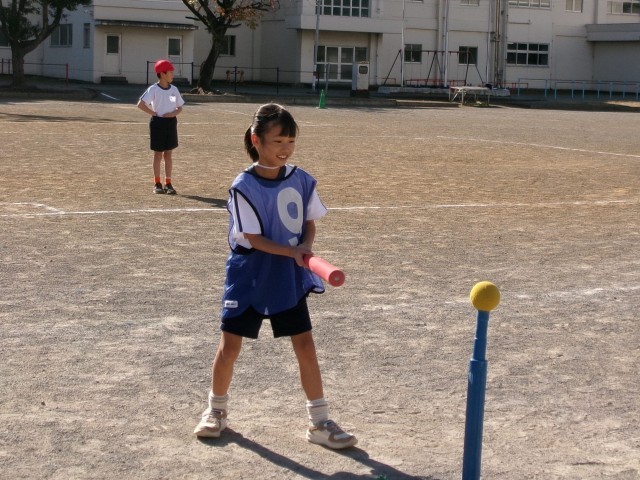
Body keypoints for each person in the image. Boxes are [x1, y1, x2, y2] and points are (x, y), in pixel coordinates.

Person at [193, 103, 357, 449]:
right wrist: (292, 252)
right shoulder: (243, 186)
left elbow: (308, 223)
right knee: (230, 346)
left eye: (291, 141)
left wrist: (306, 247)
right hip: (250, 273)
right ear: (256, 140)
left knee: (305, 344)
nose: (285, 148)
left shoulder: (301, 179)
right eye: (278, 141)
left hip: (287, 274)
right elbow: (253, 238)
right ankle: (215, 411)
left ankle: (319, 422)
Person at [137, 59, 185, 195]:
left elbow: (179, 107)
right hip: (157, 123)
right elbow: (140, 104)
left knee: (168, 154)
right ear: (162, 74)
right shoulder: (153, 89)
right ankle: (157, 183)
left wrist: (173, 114)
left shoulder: (174, 90)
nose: (173, 75)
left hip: (171, 123)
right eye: (170, 72)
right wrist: (154, 113)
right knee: (158, 154)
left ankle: (168, 183)